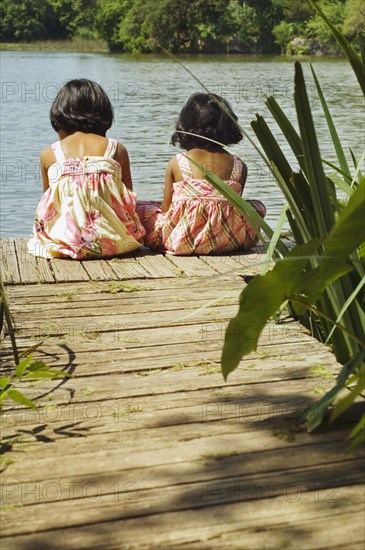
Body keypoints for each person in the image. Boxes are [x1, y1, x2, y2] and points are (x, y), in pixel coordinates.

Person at [27, 79, 145, 259]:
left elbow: (49, 209)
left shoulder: (49, 154)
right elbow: (128, 201)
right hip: (118, 244)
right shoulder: (116, 149)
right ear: (103, 113)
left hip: (65, 245)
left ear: (60, 114)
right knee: (150, 208)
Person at [136, 92, 266, 255]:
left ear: (186, 125)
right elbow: (231, 209)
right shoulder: (239, 166)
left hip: (183, 240)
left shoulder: (177, 162)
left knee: (140, 209)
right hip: (229, 241)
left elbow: (166, 210)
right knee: (257, 207)